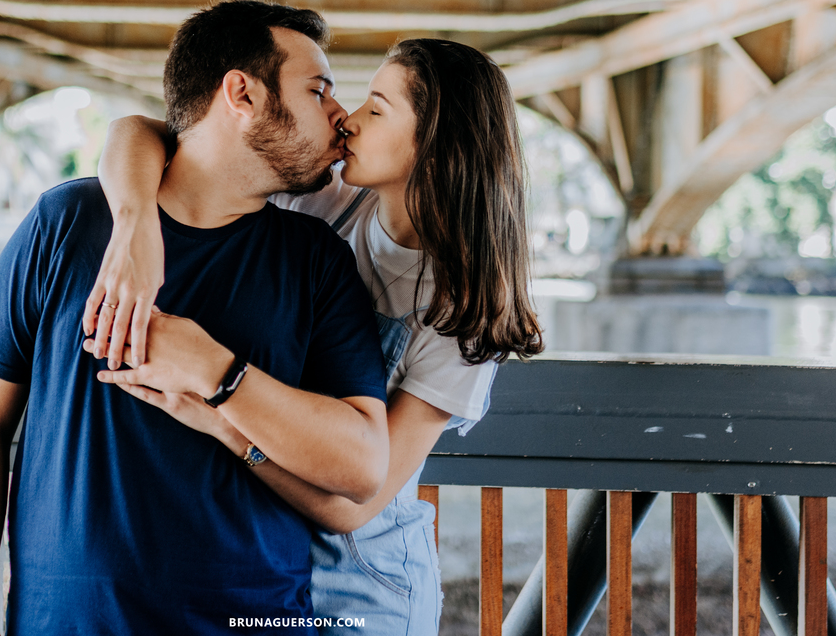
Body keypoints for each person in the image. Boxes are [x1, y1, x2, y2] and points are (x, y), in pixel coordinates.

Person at [0, 0, 392, 636]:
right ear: (242, 93)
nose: (338, 115)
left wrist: (217, 372)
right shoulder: (67, 224)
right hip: (64, 624)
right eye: (318, 90)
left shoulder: (315, 259)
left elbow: (364, 464)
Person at [85, 37, 544, 634]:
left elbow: (352, 506)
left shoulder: (463, 309)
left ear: (435, 145)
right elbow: (137, 132)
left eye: (376, 110)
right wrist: (134, 224)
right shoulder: (329, 205)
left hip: (365, 585)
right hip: (268, 557)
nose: (348, 121)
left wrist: (224, 417)